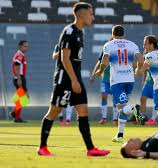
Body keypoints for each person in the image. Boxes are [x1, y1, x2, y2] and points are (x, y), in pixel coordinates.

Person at [37, 2, 110, 156]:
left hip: (75, 79)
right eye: (91, 13)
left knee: (83, 111)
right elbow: (64, 58)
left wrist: (76, 80)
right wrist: (74, 80)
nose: (93, 17)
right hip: (65, 79)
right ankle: (42, 147)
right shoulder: (69, 31)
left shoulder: (80, 32)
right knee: (54, 111)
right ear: (82, 15)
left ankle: (90, 149)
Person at [95, 25, 144, 143]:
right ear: (124, 34)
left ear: (113, 34)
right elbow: (141, 60)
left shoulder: (109, 45)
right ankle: (120, 135)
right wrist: (137, 71)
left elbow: (105, 61)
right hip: (130, 79)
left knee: (121, 108)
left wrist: (100, 71)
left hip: (117, 80)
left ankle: (134, 109)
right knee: (122, 108)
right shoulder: (132, 44)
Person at [90, 50, 118, 125]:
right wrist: (93, 75)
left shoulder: (118, 51)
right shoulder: (105, 51)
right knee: (104, 96)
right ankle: (104, 118)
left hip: (115, 80)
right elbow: (99, 63)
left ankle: (115, 119)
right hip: (105, 79)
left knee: (115, 99)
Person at [53, 44, 74, 126]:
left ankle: (68, 119)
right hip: (60, 76)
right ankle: (61, 118)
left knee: (70, 97)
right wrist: (63, 52)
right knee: (58, 97)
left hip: (70, 74)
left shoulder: (74, 46)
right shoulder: (58, 46)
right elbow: (54, 57)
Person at [10, 40, 29, 123]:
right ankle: (15, 114)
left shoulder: (21, 55)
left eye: (27, 46)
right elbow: (16, 66)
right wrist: (19, 78)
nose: (26, 48)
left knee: (22, 97)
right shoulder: (19, 55)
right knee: (24, 97)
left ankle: (15, 114)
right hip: (19, 78)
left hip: (20, 77)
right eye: (25, 46)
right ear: (20, 46)